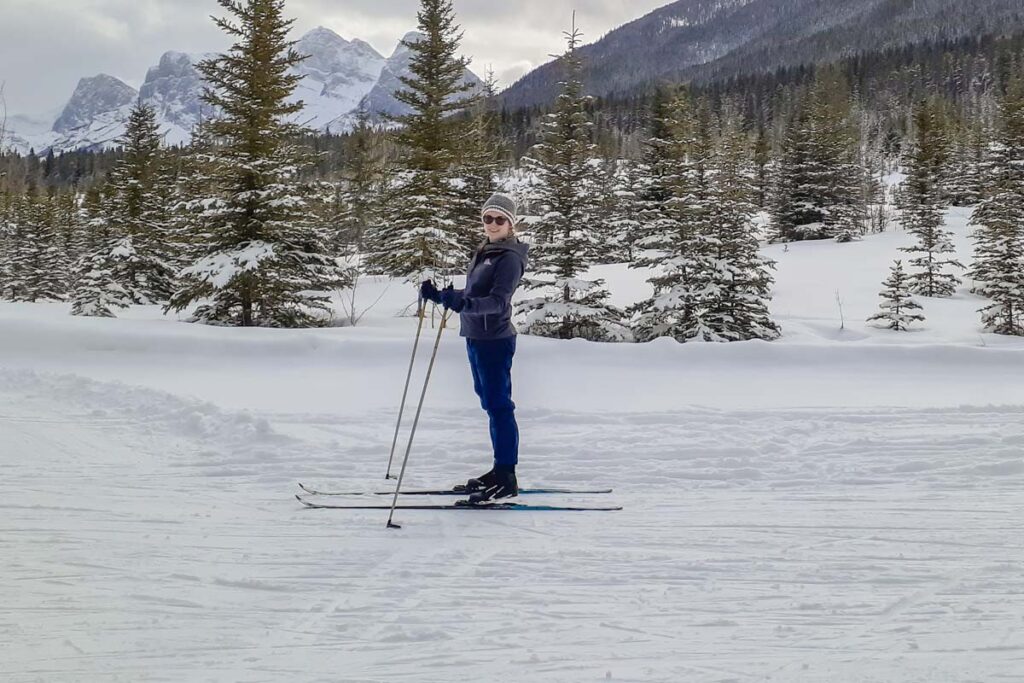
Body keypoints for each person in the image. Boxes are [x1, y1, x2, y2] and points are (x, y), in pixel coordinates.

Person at [420, 193, 529, 503]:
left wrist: (463, 303)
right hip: (476, 336)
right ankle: (499, 469)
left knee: (499, 405)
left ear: (511, 223)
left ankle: (506, 475)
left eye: (499, 219)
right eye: (487, 218)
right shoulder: (487, 251)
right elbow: (475, 292)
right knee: (489, 403)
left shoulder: (509, 257)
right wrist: (443, 295)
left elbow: (497, 302)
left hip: (495, 339)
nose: (492, 224)